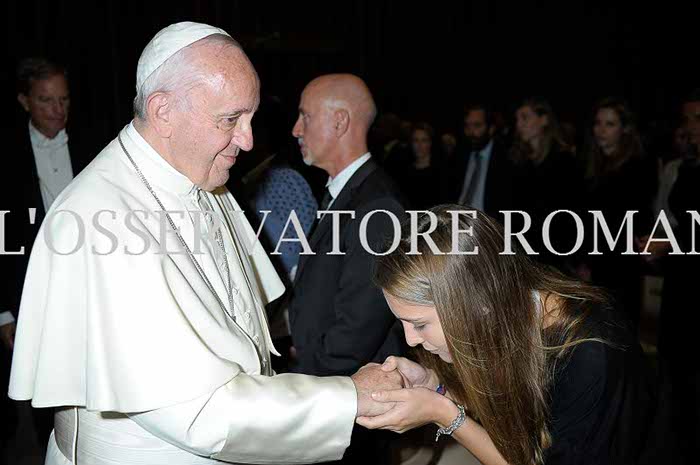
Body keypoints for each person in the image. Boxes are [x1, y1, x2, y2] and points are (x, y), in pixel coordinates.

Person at [8, 22, 401, 465]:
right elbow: (200, 414)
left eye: (250, 118)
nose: (248, 141)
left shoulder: (205, 181)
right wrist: (349, 397)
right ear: (162, 111)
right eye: (231, 120)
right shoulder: (104, 220)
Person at [358, 206, 656, 465]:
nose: (410, 340)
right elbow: (507, 398)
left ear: (477, 303)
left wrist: (444, 413)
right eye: (403, 324)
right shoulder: (509, 306)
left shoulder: (589, 354)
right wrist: (434, 384)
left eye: (420, 325)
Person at [289, 73, 406, 463]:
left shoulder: (378, 204)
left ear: (340, 122)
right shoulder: (345, 193)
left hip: (349, 407)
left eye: (305, 116)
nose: (295, 129)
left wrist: (303, 391)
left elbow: (357, 328)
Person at [1, 57, 91, 453]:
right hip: (31, 294)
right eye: (46, 101)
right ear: (24, 101)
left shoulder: (95, 142)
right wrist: (5, 312)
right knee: (44, 393)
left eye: (64, 100)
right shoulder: (5, 157)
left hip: (89, 289)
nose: (58, 111)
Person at [581, 97, 658, 325]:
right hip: (598, 264)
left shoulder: (638, 167)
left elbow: (632, 221)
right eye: (598, 123)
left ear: (625, 129)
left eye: (610, 124)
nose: (601, 130)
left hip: (621, 266)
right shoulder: (593, 165)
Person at [508, 97, 584, 272]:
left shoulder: (564, 161)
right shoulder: (517, 160)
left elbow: (573, 212)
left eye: (525, 117)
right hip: (522, 252)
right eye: (517, 119)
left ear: (544, 120)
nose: (519, 125)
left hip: (554, 253)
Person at [448, 104, 513, 219]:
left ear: (491, 128)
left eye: (477, 126)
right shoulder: (459, 155)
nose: (471, 132)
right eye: (467, 126)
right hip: (455, 220)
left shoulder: (505, 159)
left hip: (487, 225)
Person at [397, 122, 442, 210]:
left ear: (430, 143)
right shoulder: (404, 172)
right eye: (415, 140)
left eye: (424, 140)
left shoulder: (440, 172)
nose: (419, 145)